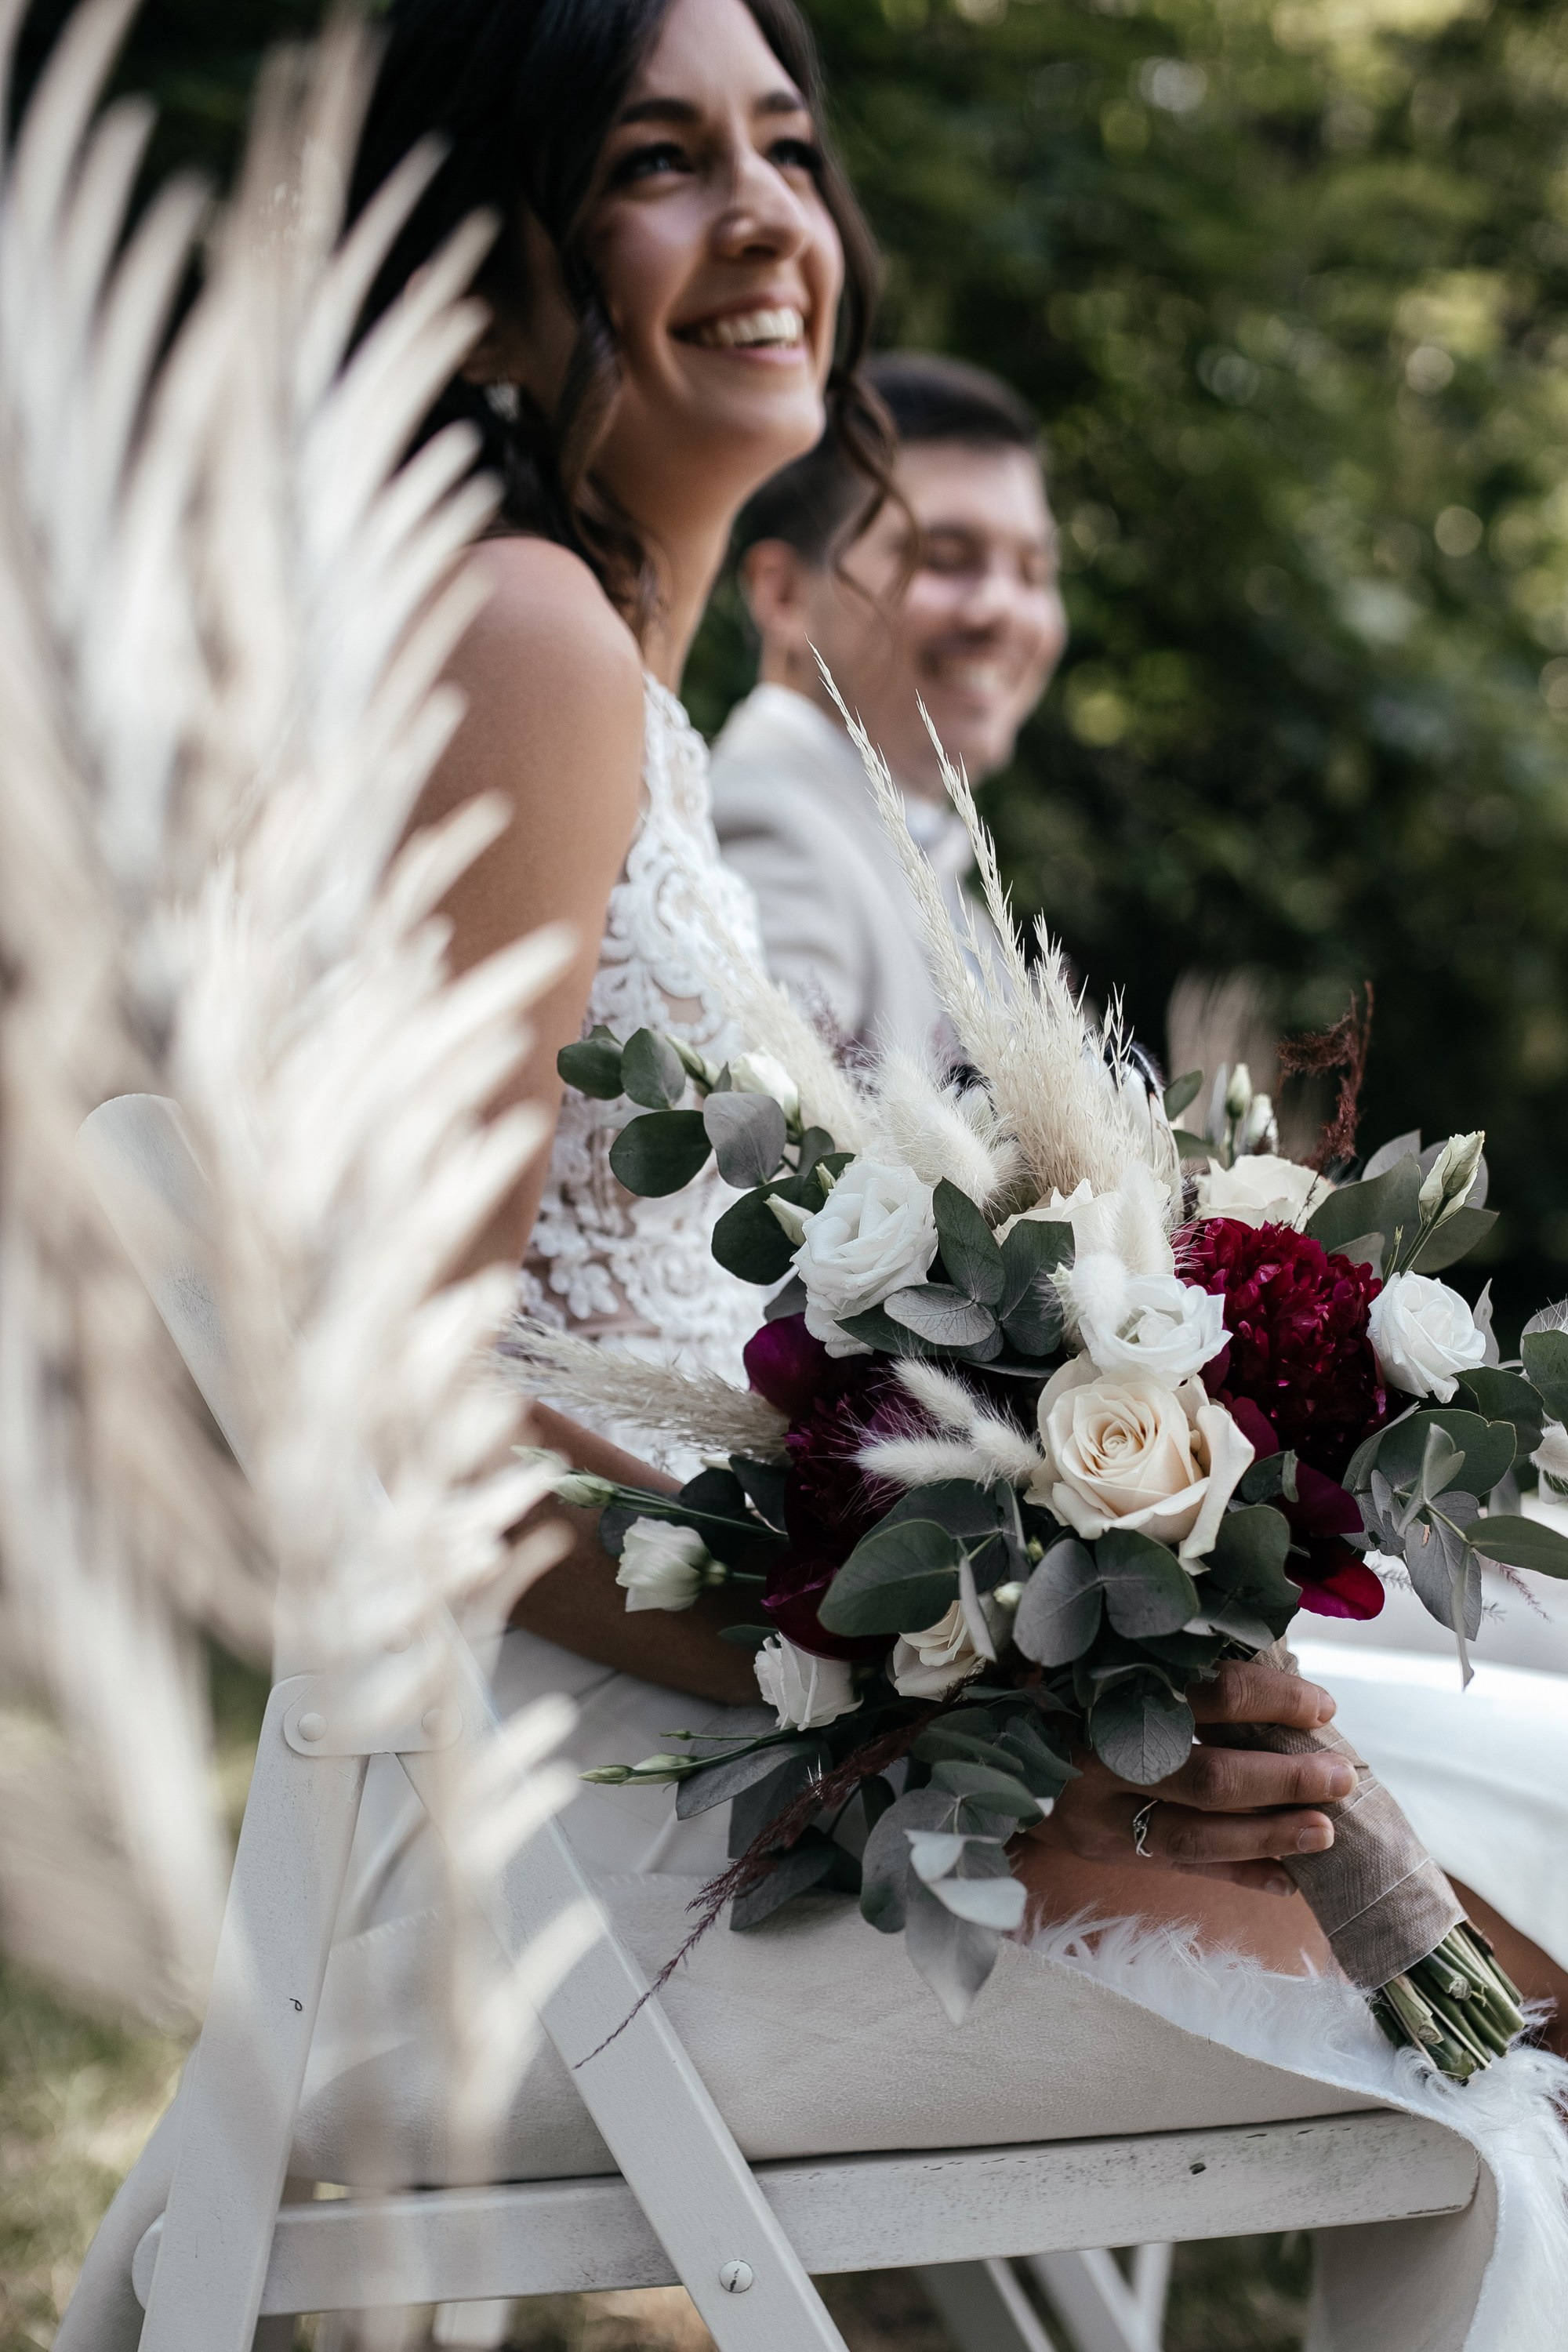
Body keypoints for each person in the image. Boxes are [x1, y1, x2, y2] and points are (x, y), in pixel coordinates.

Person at [333, 0, 1373, 1974]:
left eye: (785, 150)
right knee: (1497, 1958)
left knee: (1474, 1862)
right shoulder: (516, 632)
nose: (762, 215)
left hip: (735, 1735)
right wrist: (951, 1694)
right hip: (607, 1827)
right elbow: (394, 1419)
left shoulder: (612, 696)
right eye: (655, 161)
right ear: (465, 269)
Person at [710, 350, 1066, 1059]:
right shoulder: (768, 837)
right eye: (942, 558)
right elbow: (755, 1163)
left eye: (1034, 571)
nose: (1002, 609)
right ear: (783, 594)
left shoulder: (935, 874)